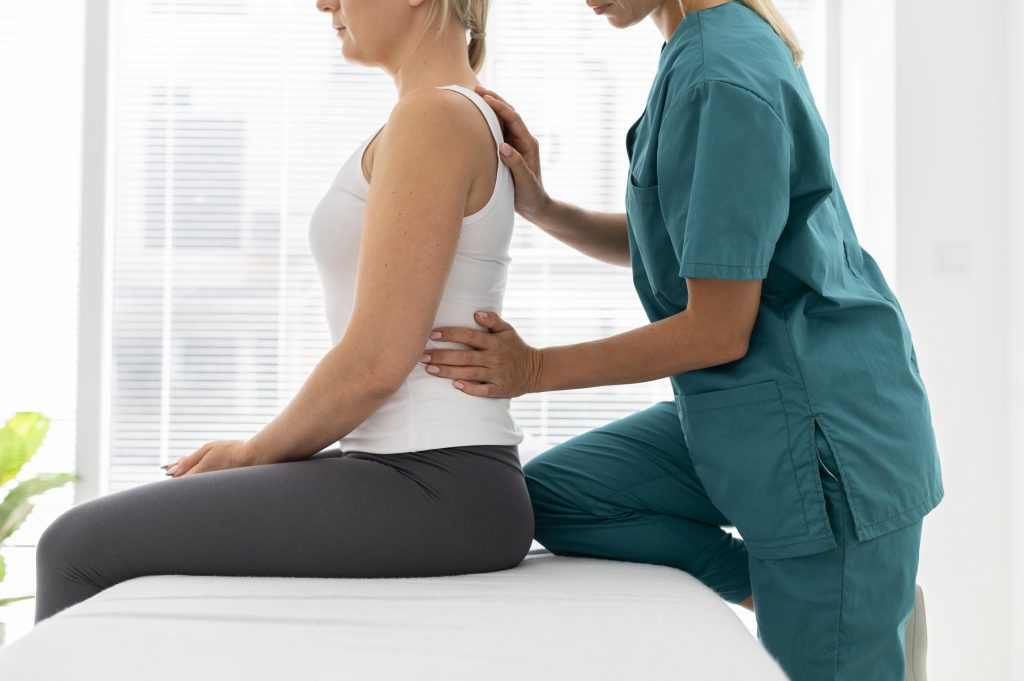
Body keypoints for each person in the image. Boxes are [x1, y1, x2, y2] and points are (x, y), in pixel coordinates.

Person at [417, 1, 944, 679]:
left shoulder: (718, 76)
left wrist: (534, 368)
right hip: (758, 405)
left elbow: (717, 329)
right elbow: (696, 245)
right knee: (556, 497)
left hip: (823, 434)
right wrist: (545, 209)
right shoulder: (704, 50)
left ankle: (844, 613)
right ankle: (814, 601)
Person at [32, 0, 534, 625]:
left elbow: (376, 361)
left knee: (75, 548)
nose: (323, 3)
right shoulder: (450, 113)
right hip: (431, 475)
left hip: (438, 484)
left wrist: (251, 454)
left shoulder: (434, 116)